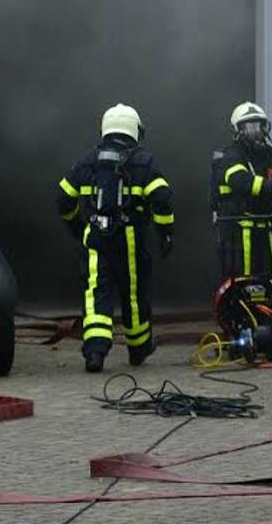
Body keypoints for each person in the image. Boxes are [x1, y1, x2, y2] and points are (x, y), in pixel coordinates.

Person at [56, 103, 174, 373]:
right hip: (130, 236)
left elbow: (63, 198)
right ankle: (139, 348)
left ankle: (95, 352)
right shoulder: (144, 161)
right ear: (134, 128)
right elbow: (162, 199)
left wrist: (76, 225)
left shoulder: (88, 159)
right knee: (133, 294)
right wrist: (166, 233)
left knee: (97, 290)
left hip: (96, 234)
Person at [209, 102, 272, 306]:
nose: (256, 132)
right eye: (250, 127)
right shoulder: (230, 155)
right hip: (239, 231)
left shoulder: (269, 154)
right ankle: (242, 325)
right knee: (243, 280)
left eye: (259, 126)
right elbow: (241, 181)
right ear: (238, 130)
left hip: (265, 229)